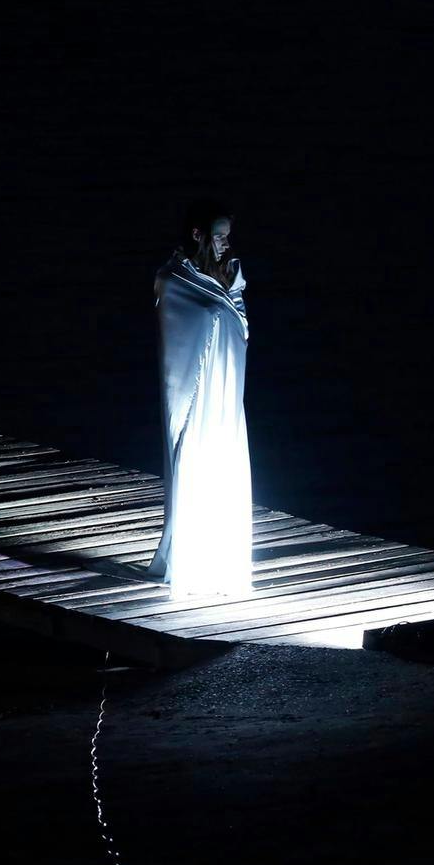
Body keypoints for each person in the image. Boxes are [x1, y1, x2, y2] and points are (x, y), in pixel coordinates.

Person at [141, 199, 254, 599]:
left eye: (227, 236)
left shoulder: (232, 276)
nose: (226, 244)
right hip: (194, 385)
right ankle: (189, 554)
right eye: (219, 236)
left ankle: (222, 555)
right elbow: (179, 333)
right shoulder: (174, 280)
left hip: (226, 384)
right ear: (198, 235)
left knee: (225, 457)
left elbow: (238, 323)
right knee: (194, 454)